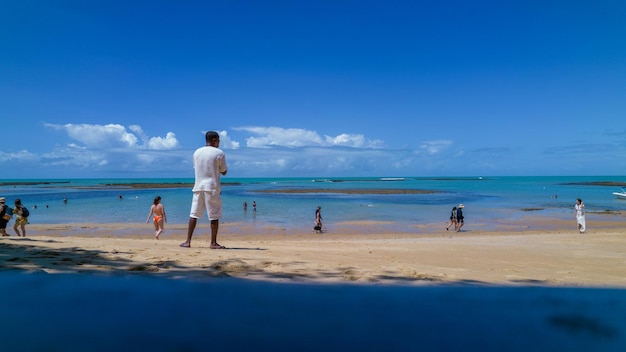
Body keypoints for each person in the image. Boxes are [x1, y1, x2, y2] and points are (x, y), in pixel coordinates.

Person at [180, 131, 228, 249]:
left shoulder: (197, 152)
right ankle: (213, 243)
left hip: (198, 187)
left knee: (194, 215)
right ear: (214, 139)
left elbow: (198, 168)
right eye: (218, 140)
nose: (219, 142)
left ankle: (188, 241)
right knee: (214, 216)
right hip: (211, 187)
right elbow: (224, 171)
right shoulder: (219, 153)